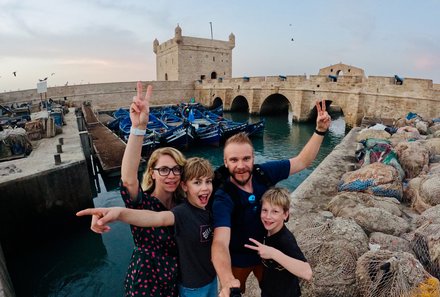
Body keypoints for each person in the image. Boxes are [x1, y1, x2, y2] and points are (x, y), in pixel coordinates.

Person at [211, 99, 330, 296]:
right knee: (234, 291)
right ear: (225, 162)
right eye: (234, 160)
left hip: (267, 254)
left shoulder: (262, 173)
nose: (241, 165)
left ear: (253, 158)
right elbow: (220, 242)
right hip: (238, 260)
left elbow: (302, 162)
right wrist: (225, 280)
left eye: (246, 159)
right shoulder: (224, 196)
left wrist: (319, 131)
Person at [89, 81, 186, 297]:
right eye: (163, 170)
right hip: (146, 281)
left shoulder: (183, 203)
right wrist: (139, 128)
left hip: (175, 278)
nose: (171, 175)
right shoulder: (143, 202)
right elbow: (128, 179)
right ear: (152, 172)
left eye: (176, 169)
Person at [77, 157, 218, 297]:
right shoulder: (180, 212)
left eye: (208, 181)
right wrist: (119, 213)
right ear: (184, 185)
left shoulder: (205, 208)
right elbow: (156, 218)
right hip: (187, 287)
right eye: (197, 182)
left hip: (205, 279)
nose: (205, 187)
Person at [244, 187, 312, 297]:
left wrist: (272, 253)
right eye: (265, 210)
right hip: (269, 290)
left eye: (275, 211)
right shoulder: (266, 230)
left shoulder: (286, 240)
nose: (268, 217)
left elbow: (307, 272)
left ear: (285, 215)